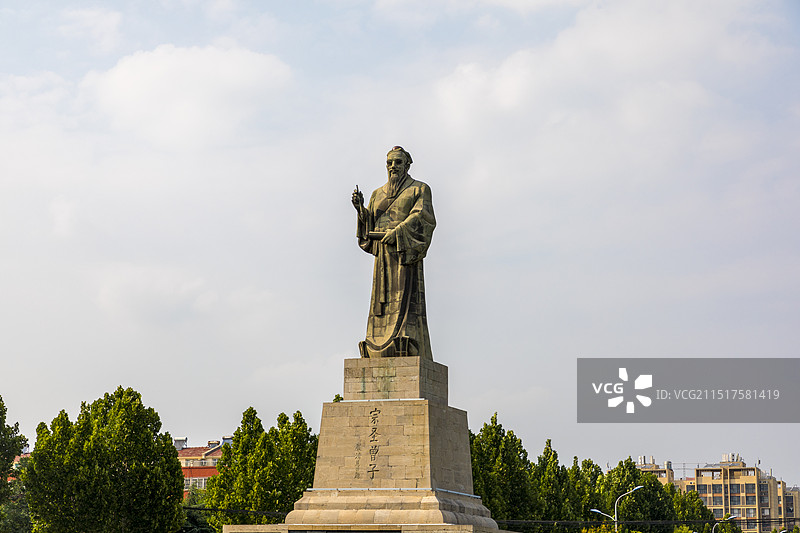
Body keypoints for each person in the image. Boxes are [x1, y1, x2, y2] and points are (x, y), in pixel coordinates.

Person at [351, 146, 436, 358]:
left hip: (404, 254)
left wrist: (398, 233)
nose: (393, 167)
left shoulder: (419, 189)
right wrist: (361, 211)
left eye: (398, 162)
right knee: (381, 303)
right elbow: (369, 227)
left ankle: (406, 342)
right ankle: (375, 344)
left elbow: (422, 217)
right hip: (382, 258)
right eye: (389, 163)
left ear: (407, 164)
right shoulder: (376, 194)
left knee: (405, 300)